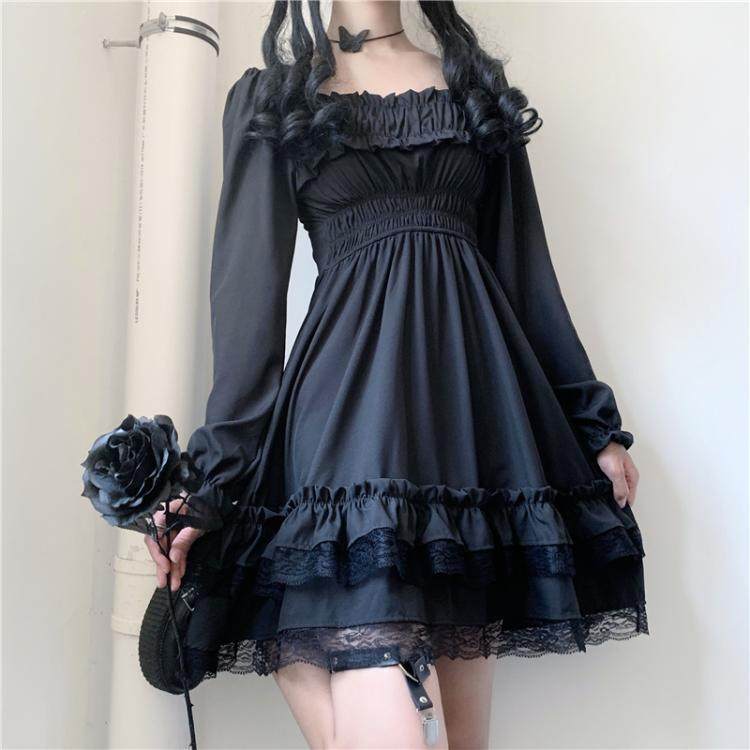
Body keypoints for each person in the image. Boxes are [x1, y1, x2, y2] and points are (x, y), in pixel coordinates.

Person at [144, 1, 648, 747]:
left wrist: (590, 423)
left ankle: (303, 654)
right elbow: (247, 300)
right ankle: (293, 634)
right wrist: (216, 477)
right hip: (349, 426)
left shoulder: (472, 87)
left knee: (463, 737)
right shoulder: (276, 97)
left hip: (472, 432)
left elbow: (525, 271)